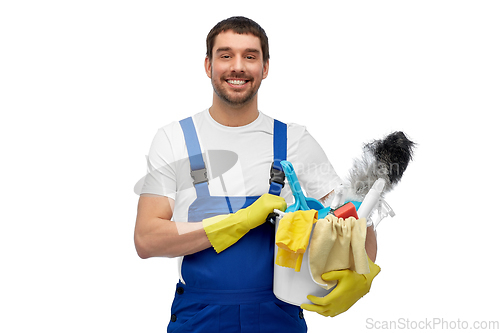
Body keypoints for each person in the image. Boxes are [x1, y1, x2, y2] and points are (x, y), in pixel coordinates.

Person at [134, 16, 379, 333]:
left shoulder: (294, 141)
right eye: (226, 55)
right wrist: (241, 220)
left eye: (250, 56)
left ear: (264, 68)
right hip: (199, 316)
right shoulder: (174, 139)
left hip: (277, 315)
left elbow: (353, 221)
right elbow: (147, 239)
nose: (238, 66)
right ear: (208, 65)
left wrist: (363, 273)